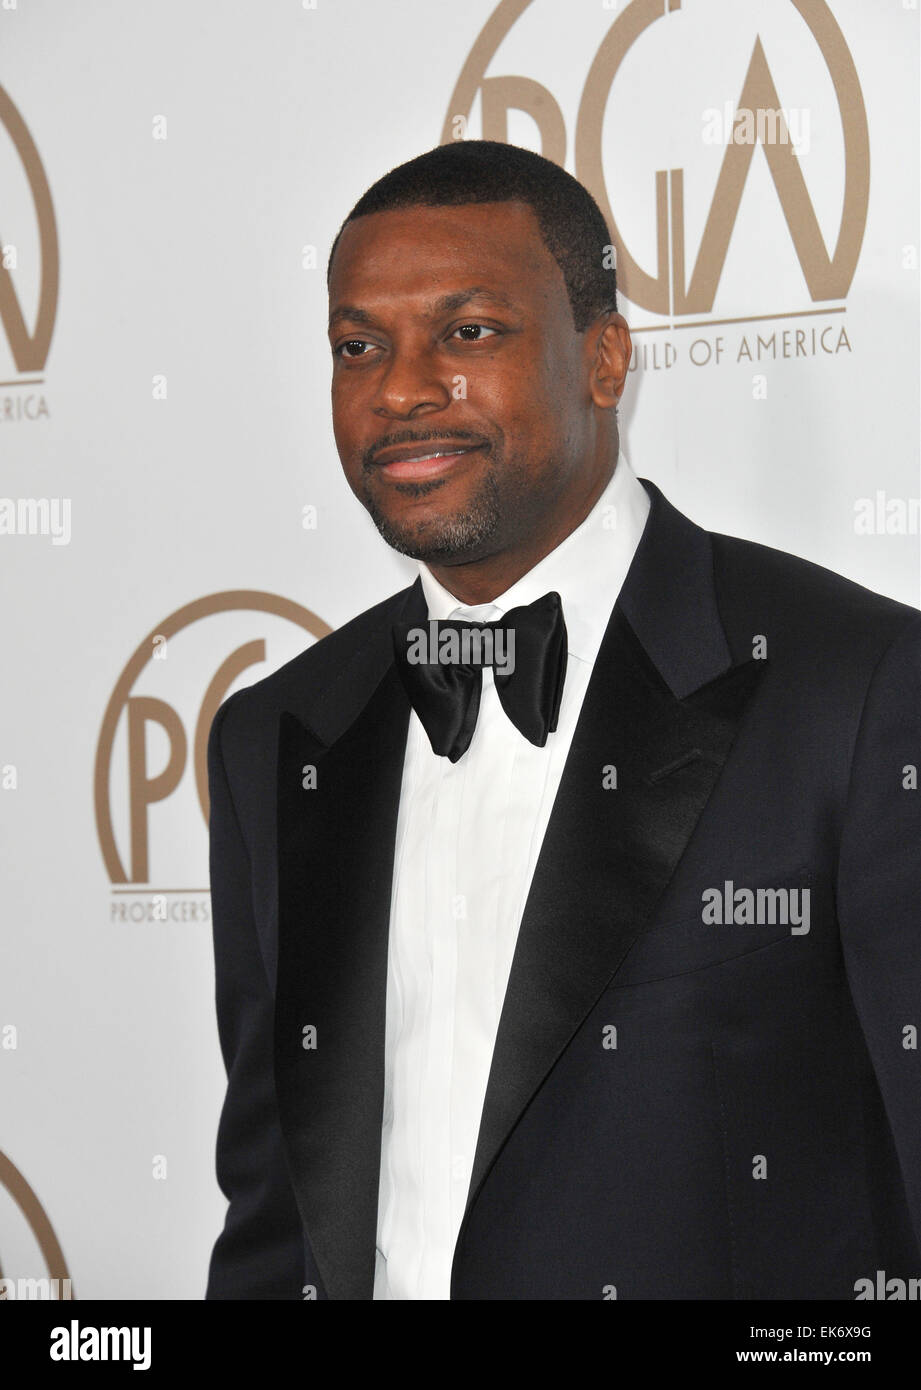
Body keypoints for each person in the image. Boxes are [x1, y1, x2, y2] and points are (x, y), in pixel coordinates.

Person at [204, 140, 920, 1301]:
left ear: (605, 357)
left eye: (469, 331)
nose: (399, 387)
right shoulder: (274, 738)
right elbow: (274, 1216)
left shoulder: (859, 687)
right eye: (357, 346)